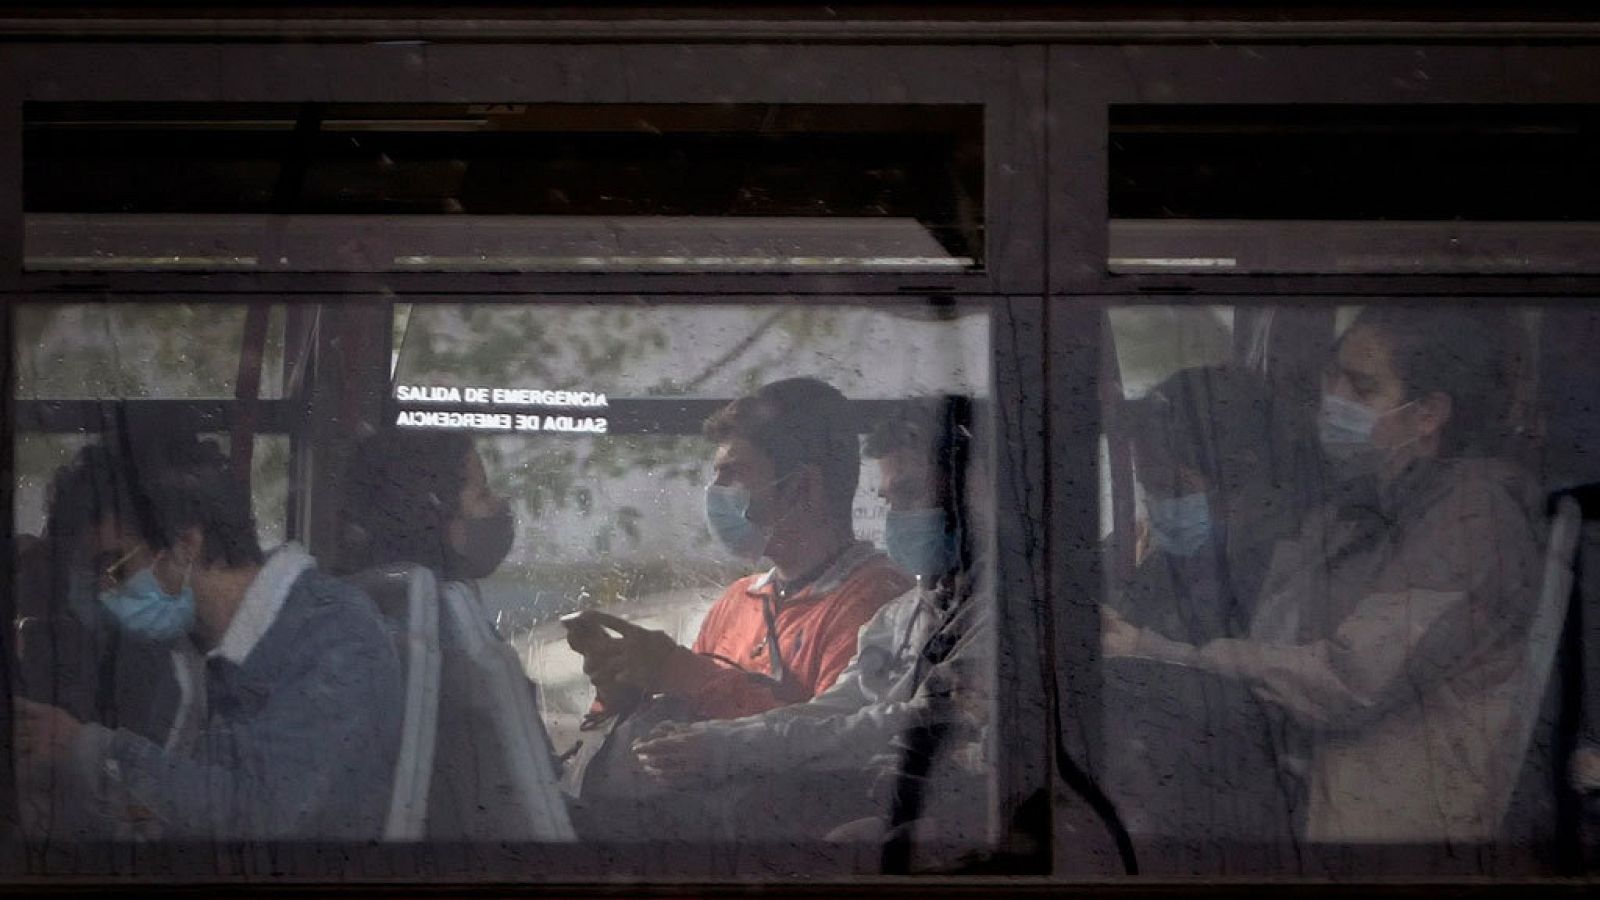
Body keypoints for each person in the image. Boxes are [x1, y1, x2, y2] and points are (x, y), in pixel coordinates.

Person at [1102, 307, 1544, 846]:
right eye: (1331, 377)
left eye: (1361, 387)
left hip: (1393, 834)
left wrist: (1158, 652)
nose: (1333, 400)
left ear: (1428, 413)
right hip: (1317, 792)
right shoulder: (1363, 505)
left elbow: (1346, 679)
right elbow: (1282, 635)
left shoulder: (1474, 520)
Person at [628, 397, 993, 854]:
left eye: (911, 494)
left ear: (978, 490)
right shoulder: (904, 613)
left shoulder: (1007, 617)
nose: (897, 517)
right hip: (889, 791)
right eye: (890, 500)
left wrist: (724, 744)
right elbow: (836, 708)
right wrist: (712, 739)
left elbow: (901, 725)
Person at [15, 438, 404, 840]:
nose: (103, 591)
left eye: (113, 566)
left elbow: (265, 815)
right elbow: (170, 810)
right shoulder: (187, 652)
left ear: (185, 546)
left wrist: (87, 752)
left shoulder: (333, 636)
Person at [569, 377, 914, 723]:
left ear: (802, 486)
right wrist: (629, 693)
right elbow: (686, 726)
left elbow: (829, 739)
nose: (714, 490)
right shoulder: (738, 601)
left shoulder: (877, 604)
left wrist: (683, 673)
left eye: (733, 473)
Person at [1101, 366, 1308, 865]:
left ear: (1238, 477)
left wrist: (1143, 651)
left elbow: (1265, 703)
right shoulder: (1160, 556)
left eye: (1175, 488)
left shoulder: (1294, 568)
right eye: (1149, 489)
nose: (1159, 506)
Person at [337, 427, 572, 841]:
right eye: (482, 494)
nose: (499, 506)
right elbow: (526, 796)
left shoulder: (369, 610)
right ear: (435, 513)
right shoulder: (451, 628)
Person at [14, 442, 207, 840]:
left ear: (174, 549)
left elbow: (153, 824)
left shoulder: (179, 679)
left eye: (114, 563)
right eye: (84, 570)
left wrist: (74, 749)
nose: (103, 587)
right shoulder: (101, 649)